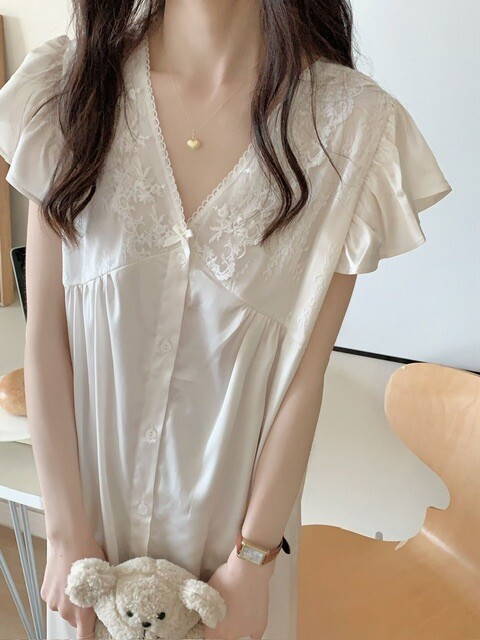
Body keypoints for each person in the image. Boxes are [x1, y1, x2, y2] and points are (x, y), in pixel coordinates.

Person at [0, 1, 452, 639]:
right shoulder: (73, 85)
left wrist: (254, 561)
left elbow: (302, 378)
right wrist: (66, 531)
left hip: (230, 564)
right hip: (91, 555)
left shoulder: (352, 128)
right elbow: (48, 333)